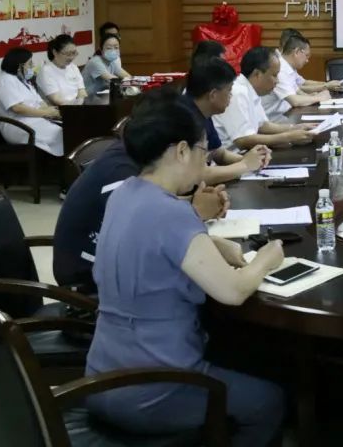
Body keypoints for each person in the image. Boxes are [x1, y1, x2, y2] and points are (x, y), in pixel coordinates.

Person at [84, 89, 285, 445]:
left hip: (102, 377)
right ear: (180, 151)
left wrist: (214, 245)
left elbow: (153, 243)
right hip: (154, 389)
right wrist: (268, 258)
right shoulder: (172, 213)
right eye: (202, 151)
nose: (204, 162)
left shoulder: (124, 193)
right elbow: (233, 291)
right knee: (268, 401)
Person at [53, 129, 230, 292]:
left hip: (118, 265)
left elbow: (153, 209)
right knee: (206, 287)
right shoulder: (122, 173)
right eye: (201, 152)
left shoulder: (136, 157)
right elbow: (146, 232)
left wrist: (193, 202)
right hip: (90, 279)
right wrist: (194, 210)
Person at [185, 57, 272, 185]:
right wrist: (245, 165)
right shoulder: (185, 119)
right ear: (213, 95)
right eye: (229, 90)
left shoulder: (203, 112)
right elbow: (199, 175)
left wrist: (253, 159)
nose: (231, 96)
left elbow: (219, 154)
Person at [214, 47, 315, 151]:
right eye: (274, 75)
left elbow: (262, 125)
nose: (277, 81)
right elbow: (243, 140)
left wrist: (295, 128)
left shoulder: (251, 90)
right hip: (234, 156)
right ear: (257, 74)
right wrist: (288, 137)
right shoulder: (237, 92)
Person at [0, 48, 63, 156]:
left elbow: (39, 102)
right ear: (19, 65)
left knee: (63, 131)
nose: (32, 66)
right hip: (18, 125)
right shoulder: (5, 81)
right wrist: (46, 113)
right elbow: (17, 108)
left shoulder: (23, 80)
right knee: (57, 133)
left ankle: (60, 161)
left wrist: (52, 112)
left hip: (33, 120)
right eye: (30, 64)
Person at [261, 34, 338, 114]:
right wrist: (319, 97)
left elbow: (298, 91)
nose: (307, 60)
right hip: (274, 118)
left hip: (285, 114)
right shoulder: (280, 69)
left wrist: (311, 96)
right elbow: (295, 101)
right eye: (306, 55)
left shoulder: (288, 67)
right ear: (297, 52)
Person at [38, 33, 87, 106]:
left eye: (74, 53)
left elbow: (82, 91)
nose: (72, 57)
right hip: (59, 110)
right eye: (68, 54)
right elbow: (57, 100)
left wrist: (80, 103)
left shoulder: (73, 67)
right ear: (55, 52)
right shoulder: (46, 71)